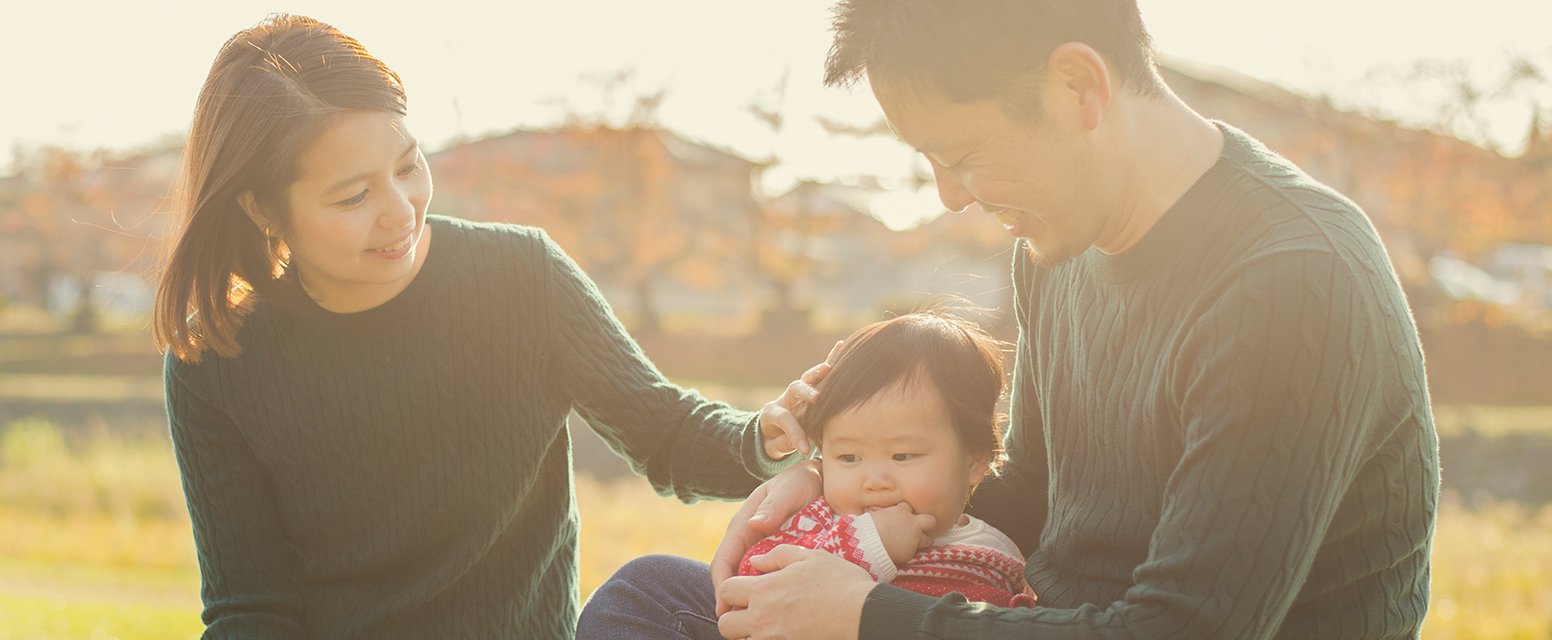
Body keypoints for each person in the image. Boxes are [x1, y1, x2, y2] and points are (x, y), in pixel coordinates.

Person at [580, 0, 1438, 638]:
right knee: (653, 596)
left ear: (1076, 88)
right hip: (1029, 610)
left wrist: (870, 619)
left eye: (963, 157)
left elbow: (1186, 627)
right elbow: (1034, 485)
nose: (953, 197)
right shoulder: (1057, 251)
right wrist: (849, 488)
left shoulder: (1293, 281)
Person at [151, 15, 821, 639]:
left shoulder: (521, 277)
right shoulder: (215, 360)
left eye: (408, 166)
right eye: (353, 196)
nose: (399, 211)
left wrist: (763, 435)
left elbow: (665, 433)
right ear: (262, 207)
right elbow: (250, 607)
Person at [732, 313, 1032, 610]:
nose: (874, 481)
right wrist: (865, 544)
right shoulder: (817, 521)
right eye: (849, 457)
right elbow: (750, 580)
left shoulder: (997, 552)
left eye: (902, 456)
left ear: (975, 460)